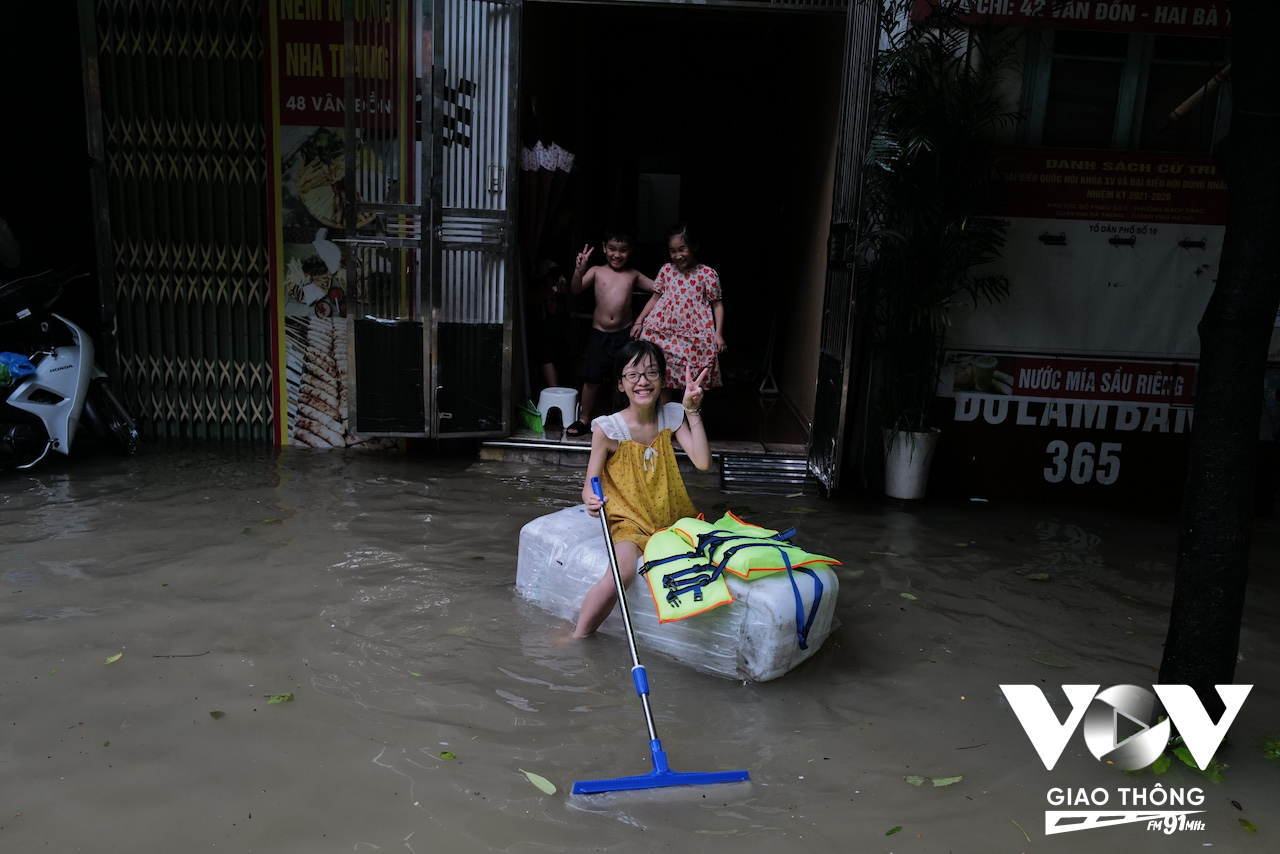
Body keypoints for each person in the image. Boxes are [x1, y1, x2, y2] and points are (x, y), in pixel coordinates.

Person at [574, 339, 711, 637]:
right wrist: (592, 501)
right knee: (622, 574)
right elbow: (589, 486)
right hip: (629, 521)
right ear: (621, 384)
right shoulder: (607, 429)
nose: (643, 381)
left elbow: (702, 462)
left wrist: (693, 411)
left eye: (651, 373)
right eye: (633, 374)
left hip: (672, 518)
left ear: (662, 379)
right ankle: (578, 636)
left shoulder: (671, 417)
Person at [566, 229, 655, 436]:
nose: (617, 254)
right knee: (592, 378)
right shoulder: (596, 271)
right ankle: (584, 419)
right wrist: (579, 270)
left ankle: (625, 420)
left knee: (627, 379)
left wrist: (642, 321)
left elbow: (659, 287)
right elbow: (576, 289)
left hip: (625, 335)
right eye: (612, 249)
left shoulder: (632, 274)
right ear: (604, 248)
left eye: (623, 250)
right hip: (599, 334)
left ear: (630, 251)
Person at [633, 224, 725, 402]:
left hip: (694, 337)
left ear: (694, 246)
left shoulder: (707, 274)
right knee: (662, 378)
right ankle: (665, 427)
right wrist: (639, 321)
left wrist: (718, 334)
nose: (678, 255)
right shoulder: (666, 270)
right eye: (672, 251)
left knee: (692, 381)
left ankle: (689, 423)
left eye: (682, 249)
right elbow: (654, 298)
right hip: (664, 333)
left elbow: (717, 305)